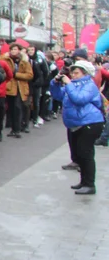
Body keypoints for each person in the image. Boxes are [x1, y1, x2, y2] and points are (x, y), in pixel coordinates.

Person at [51, 59, 104, 195]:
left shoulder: (89, 85)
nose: (73, 75)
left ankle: (90, 184)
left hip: (90, 123)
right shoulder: (72, 86)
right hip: (76, 124)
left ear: (85, 73)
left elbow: (79, 99)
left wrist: (68, 84)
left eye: (76, 73)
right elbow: (57, 95)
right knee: (79, 154)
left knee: (86, 154)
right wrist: (55, 83)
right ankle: (84, 182)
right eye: (72, 73)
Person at [4, 43, 33, 138]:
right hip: (10, 87)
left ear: (19, 50)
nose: (13, 51)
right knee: (11, 109)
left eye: (15, 49)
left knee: (18, 108)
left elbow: (29, 75)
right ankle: (13, 129)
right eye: (11, 49)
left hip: (20, 88)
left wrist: (17, 75)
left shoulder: (24, 61)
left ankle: (18, 129)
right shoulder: (6, 60)